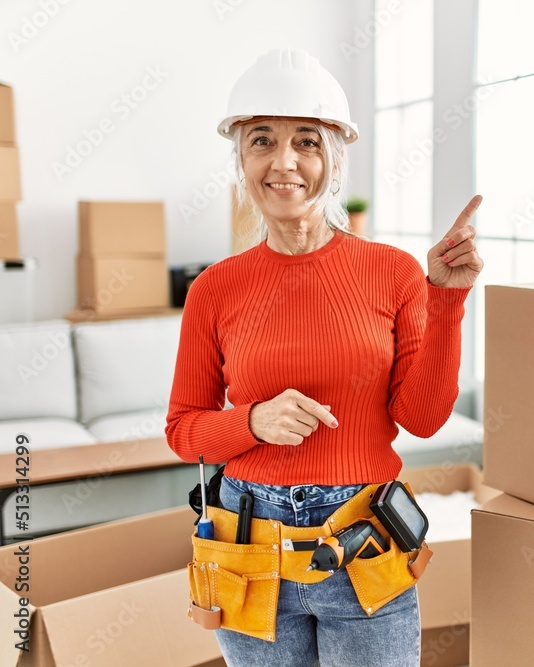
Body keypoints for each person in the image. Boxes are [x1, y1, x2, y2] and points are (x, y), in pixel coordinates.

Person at [166, 48, 482, 667]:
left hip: (362, 544)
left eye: (306, 142)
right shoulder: (214, 288)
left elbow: (421, 418)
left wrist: (445, 300)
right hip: (249, 548)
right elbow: (184, 430)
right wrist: (251, 421)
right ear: (241, 160)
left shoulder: (392, 272)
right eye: (262, 141)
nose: (285, 162)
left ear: (334, 161)